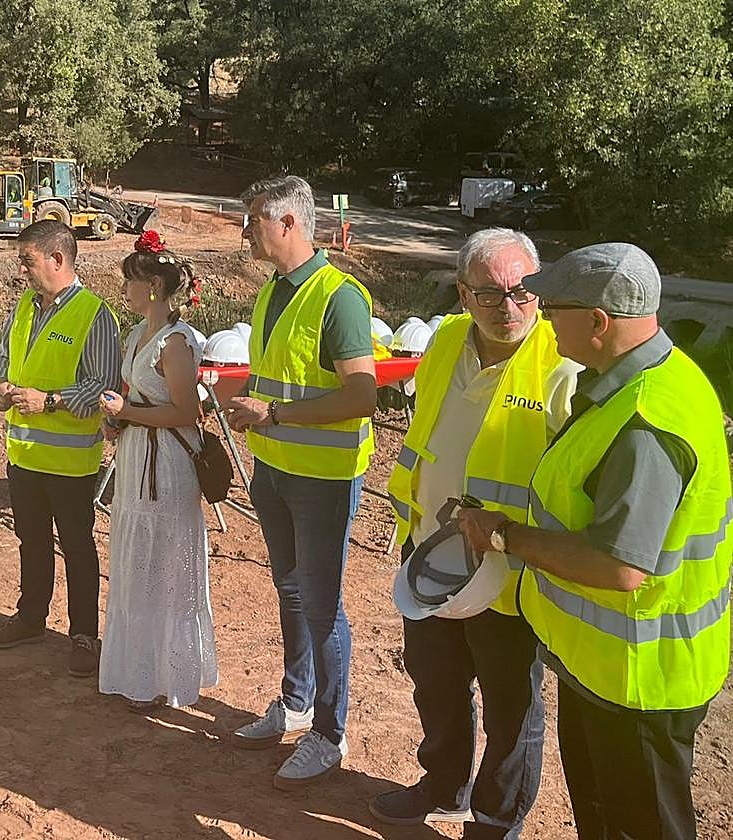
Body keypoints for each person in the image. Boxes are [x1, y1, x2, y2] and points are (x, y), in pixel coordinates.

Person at [457, 243, 732, 840]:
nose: (543, 316)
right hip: (605, 668)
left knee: (640, 827)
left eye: (554, 307)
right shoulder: (646, 379)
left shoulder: (645, 424)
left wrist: (506, 536)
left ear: (599, 322)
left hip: (638, 681)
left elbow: (620, 565)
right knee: (604, 821)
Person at [371, 228, 580, 835]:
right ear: (464, 294)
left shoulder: (560, 365)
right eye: (490, 295)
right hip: (433, 554)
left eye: (523, 292)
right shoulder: (444, 345)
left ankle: (494, 818)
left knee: (510, 706)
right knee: (434, 682)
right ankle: (443, 782)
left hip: (510, 574)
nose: (509, 308)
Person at [226, 175, 377, 789]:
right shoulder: (273, 293)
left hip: (322, 478)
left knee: (320, 604)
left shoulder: (338, 298)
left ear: (288, 223)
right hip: (276, 470)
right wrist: (246, 401)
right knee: (290, 593)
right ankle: (295, 702)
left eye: (255, 220)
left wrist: (277, 414)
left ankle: (329, 732)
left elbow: (362, 395)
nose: (246, 230)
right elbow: (280, 379)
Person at [0, 219, 122, 677]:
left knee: (78, 548)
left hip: (71, 462)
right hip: (23, 455)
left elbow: (101, 388)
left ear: (57, 259)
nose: (22, 271)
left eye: (28, 261)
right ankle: (30, 618)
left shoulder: (95, 315)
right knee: (32, 542)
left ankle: (84, 635)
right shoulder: (23, 306)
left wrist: (52, 401)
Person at [97, 232, 217, 710]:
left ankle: (166, 674)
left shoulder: (176, 342)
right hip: (135, 460)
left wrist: (128, 412)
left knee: (163, 561)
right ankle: (139, 670)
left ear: (152, 285)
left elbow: (188, 412)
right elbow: (140, 402)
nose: (124, 289)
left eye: (130, 281)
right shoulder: (136, 334)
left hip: (165, 467)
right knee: (137, 559)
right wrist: (118, 419)